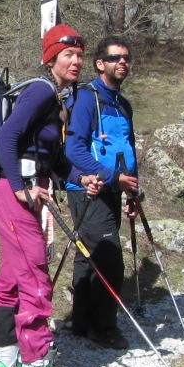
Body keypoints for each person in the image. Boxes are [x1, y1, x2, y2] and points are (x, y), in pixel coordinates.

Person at [0, 22, 85, 367]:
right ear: (51, 59)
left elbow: (56, 161)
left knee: (13, 278)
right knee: (35, 280)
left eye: (80, 55)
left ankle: (6, 359)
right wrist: (19, 187)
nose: (76, 61)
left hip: (25, 193)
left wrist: (84, 179)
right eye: (68, 55)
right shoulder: (41, 91)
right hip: (15, 196)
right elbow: (7, 137)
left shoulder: (58, 99)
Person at [62, 36, 138, 349]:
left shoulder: (123, 104)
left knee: (87, 255)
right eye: (115, 57)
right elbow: (73, 148)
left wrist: (133, 190)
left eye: (126, 58)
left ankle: (81, 321)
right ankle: (104, 326)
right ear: (100, 63)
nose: (122, 62)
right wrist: (110, 177)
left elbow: (127, 149)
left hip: (113, 187)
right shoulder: (85, 98)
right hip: (87, 188)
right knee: (108, 258)